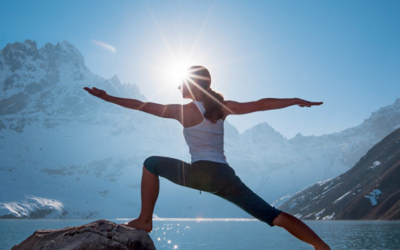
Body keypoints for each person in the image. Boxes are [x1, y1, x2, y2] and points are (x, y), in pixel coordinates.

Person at [84, 66, 330, 250]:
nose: (178, 87)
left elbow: (141, 105)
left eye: (182, 83)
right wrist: (295, 100)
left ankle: (145, 220)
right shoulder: (220, 107)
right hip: (225, 176)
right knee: (272, 214)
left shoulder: (186, 111)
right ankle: (321, 246)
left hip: (201, 174)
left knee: (151, 164)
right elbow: (261, 104)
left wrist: (108, 97)